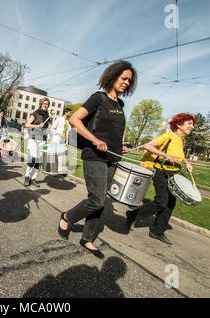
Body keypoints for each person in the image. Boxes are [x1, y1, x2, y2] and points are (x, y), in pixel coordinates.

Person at [57, 60, 138, 257]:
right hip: (94, 156)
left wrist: (121, 147)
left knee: (100, 198)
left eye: (130, 80)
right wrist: (94, 140)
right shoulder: (98, 98)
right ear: (113, 76)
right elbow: (74, 119)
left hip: (112, 157)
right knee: (97, 200)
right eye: (124, 78)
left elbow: (112, 132)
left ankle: (88, 239)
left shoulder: (120, 104)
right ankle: (67, 216)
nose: (127, 82)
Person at [126, 113, 196, 245]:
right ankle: (133, 214)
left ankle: (157, 231)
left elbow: (179, 156)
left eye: (192, 124)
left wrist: (187, 163)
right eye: (189, 123)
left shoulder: (182, 140)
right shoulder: (168, 136)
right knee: (161, 201)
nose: (192, 127)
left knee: (170, 204)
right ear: (179, 124)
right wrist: (165, 155)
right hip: (161, 172)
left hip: (174, 174)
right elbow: (148, 146)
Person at [24, 97, 50, 187]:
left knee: (39, 160)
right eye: (44, 103)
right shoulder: (35, 113)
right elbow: (27, 125)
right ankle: (27, 177)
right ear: (41, 104)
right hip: (34, 138)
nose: (45, 105)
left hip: (42, 139)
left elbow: (46, 128)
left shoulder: (47, 115)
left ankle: (33, 178)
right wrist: (37, 126)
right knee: (32, 158)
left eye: (47, 104)